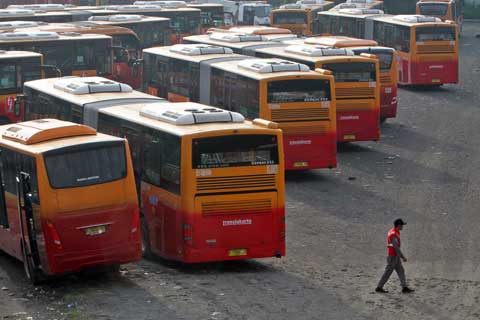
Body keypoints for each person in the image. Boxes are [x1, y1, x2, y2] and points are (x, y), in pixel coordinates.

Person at [375, 218, 415, 294]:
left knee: (401, 270)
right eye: (402, 225)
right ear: (399, 225)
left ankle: (404, 287)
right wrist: (402, 257)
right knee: (388, 272)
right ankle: (379, 287)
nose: (403, 227)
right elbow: (396, 247)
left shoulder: (395, 231)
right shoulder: (393, 234)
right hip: (393, 256)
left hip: (395, 256)